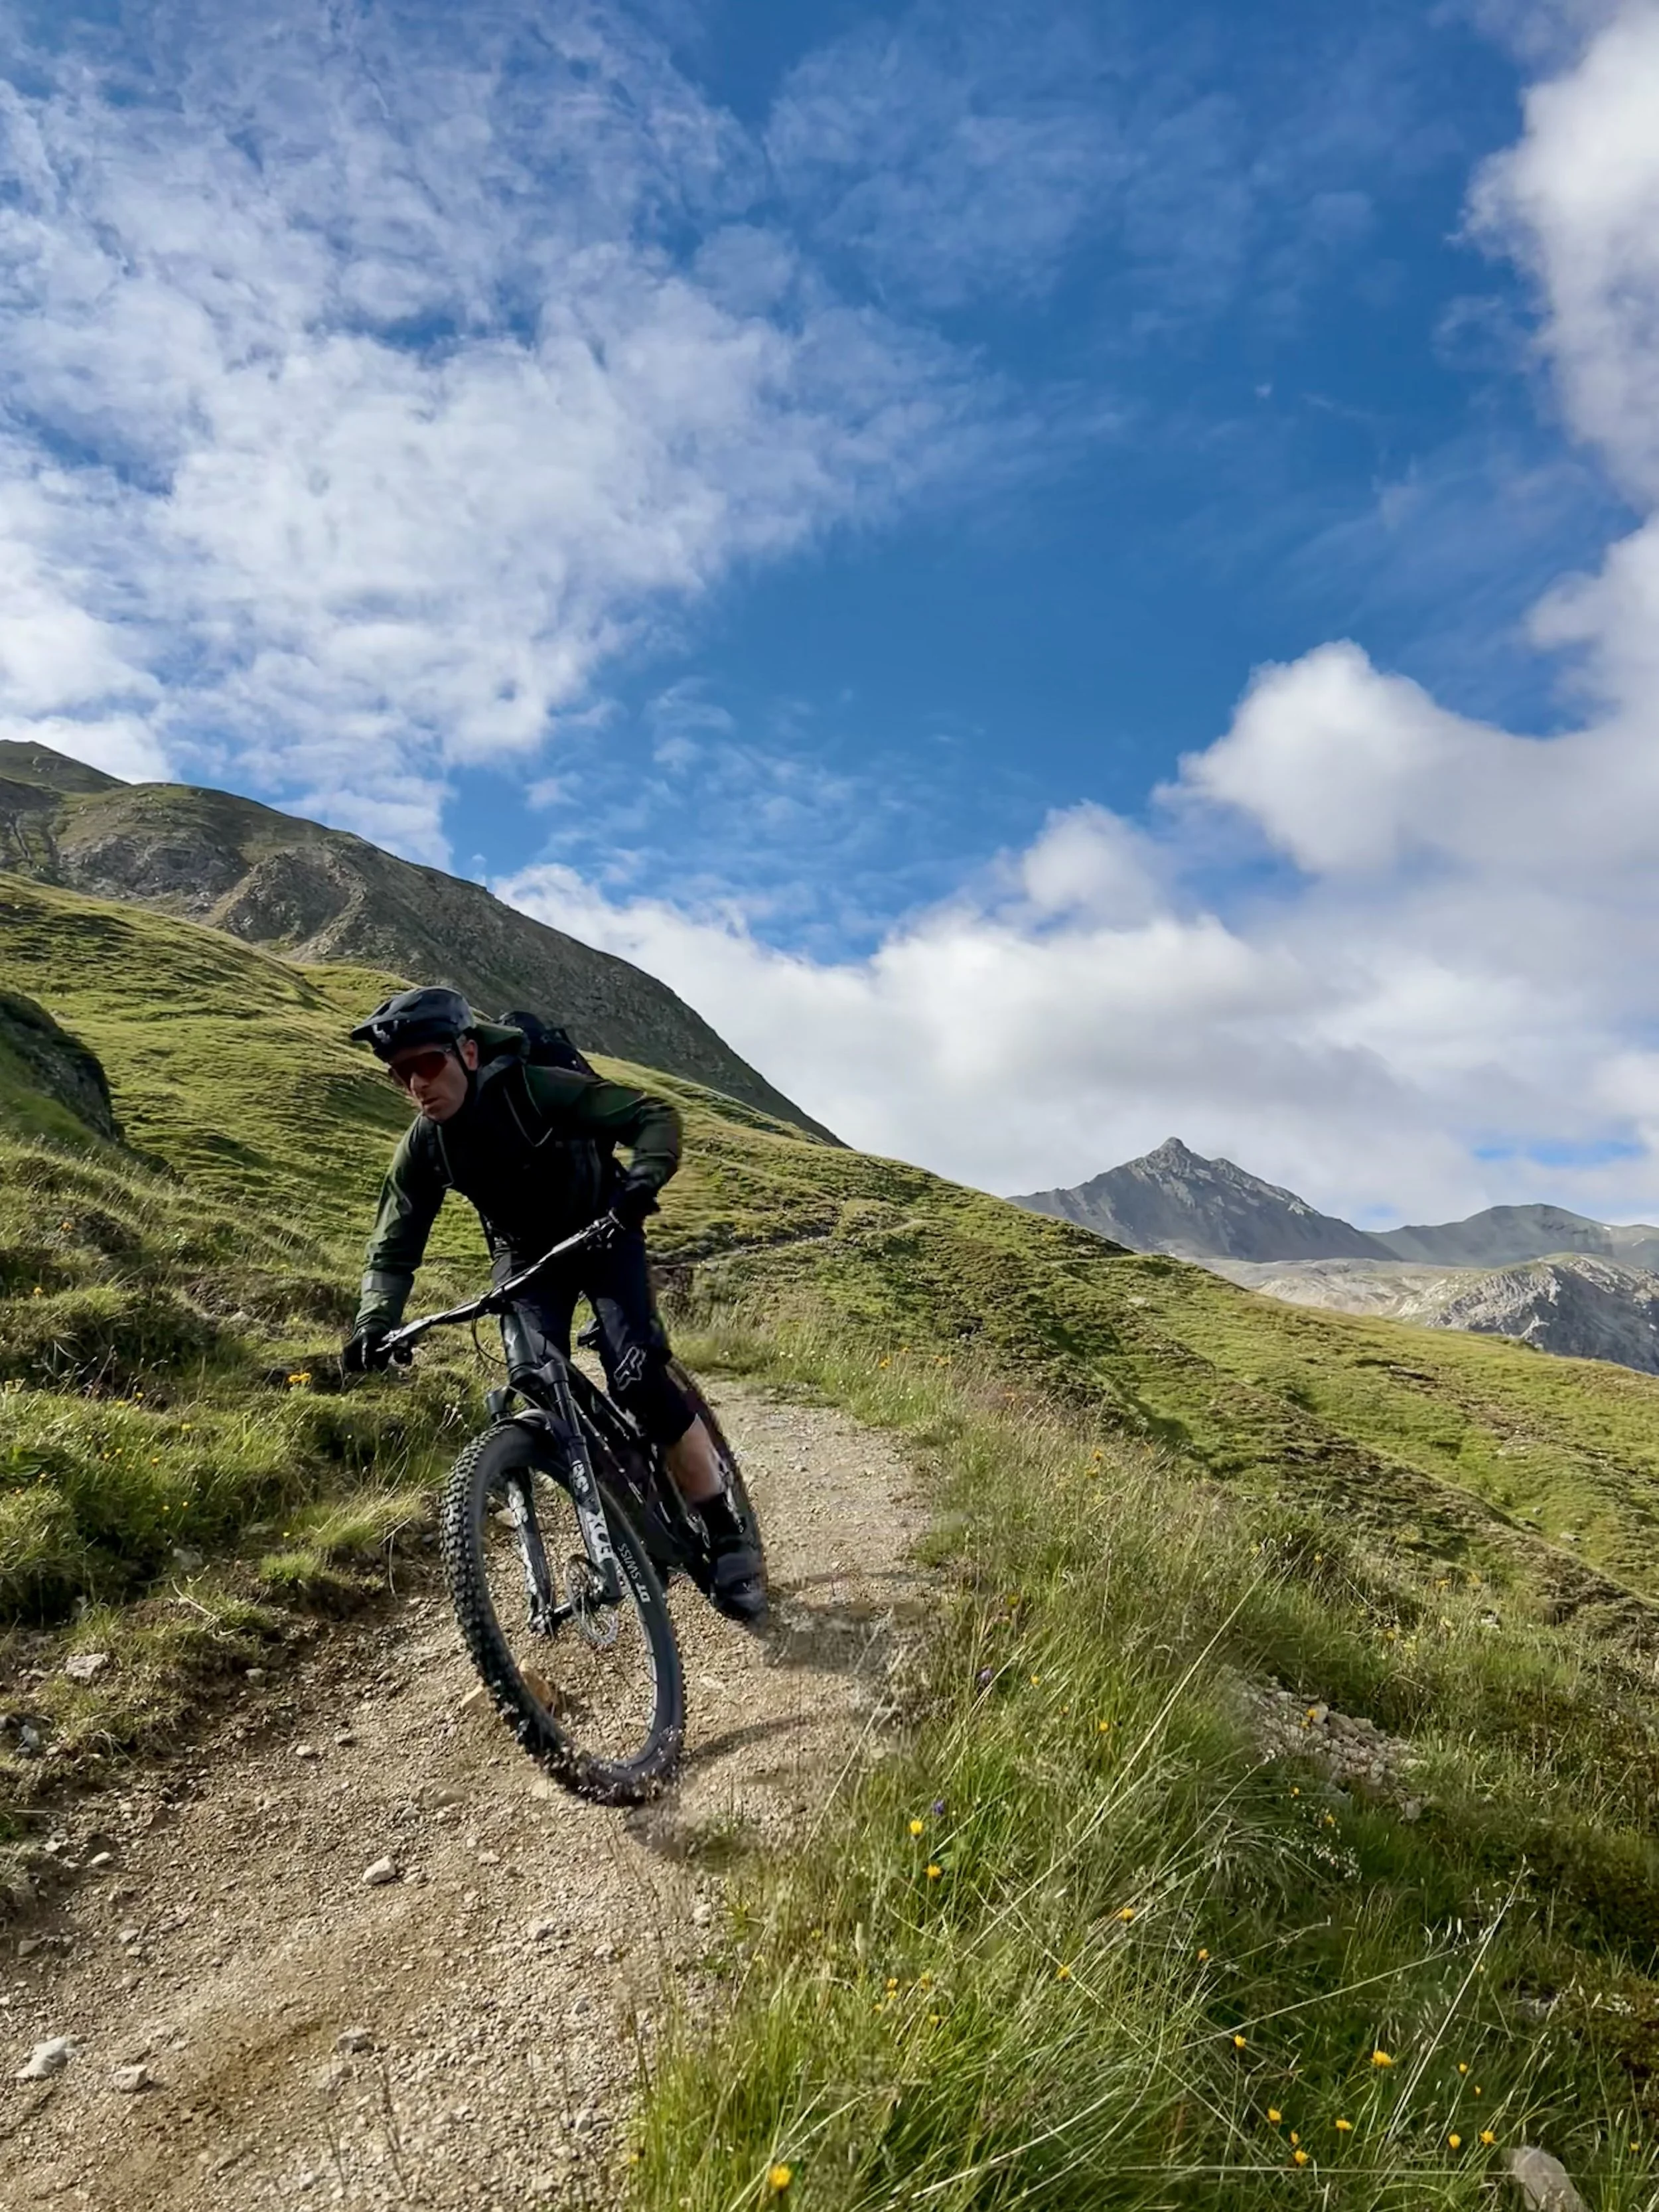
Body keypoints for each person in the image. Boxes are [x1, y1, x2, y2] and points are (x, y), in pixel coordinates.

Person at [342, 986, 764, 1621]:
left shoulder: (535, 1088)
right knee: (536, 1378)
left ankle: (723, 1528)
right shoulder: (424, 1146)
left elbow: (651, 1116)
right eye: (401, 1074)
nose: (416, 1085)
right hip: (526, 1258)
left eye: (426, 1065)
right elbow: (394, 1242)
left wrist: (642, 1184)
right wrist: (376, 1321)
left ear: (468, 1050)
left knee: (638, 1374)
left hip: (603, 1229)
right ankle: (627, 1498)